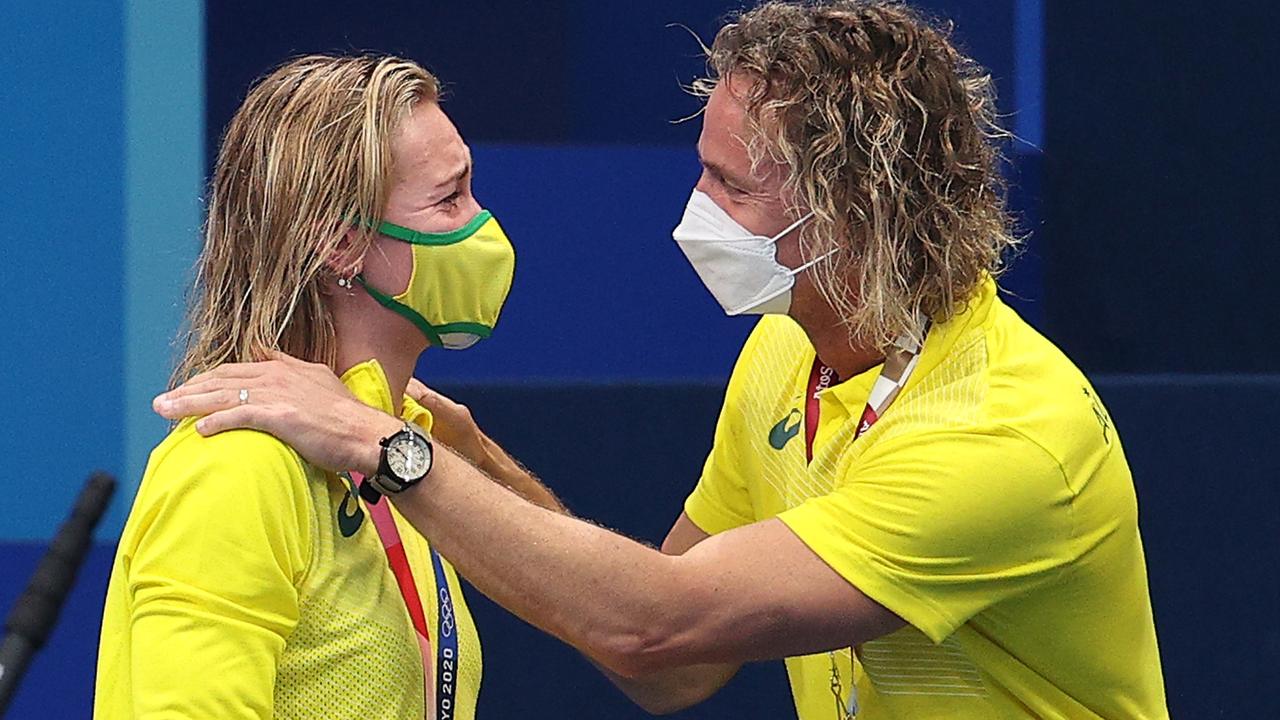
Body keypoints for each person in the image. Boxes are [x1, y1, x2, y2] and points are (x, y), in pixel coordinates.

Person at [154, 3, 1170, 718]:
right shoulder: (783, 355)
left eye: (729, 185)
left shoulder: (1001, 434)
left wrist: (394, 455)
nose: (694, 212)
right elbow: (674, 665)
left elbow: (659, 627)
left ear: (851, 211)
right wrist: (466, 465)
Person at [95, 54, 547, 719]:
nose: (483, 226)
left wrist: (472, 457)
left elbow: (625, 620)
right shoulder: (237, 465)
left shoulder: (400, 458)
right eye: (450, 199)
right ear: (342, 243)